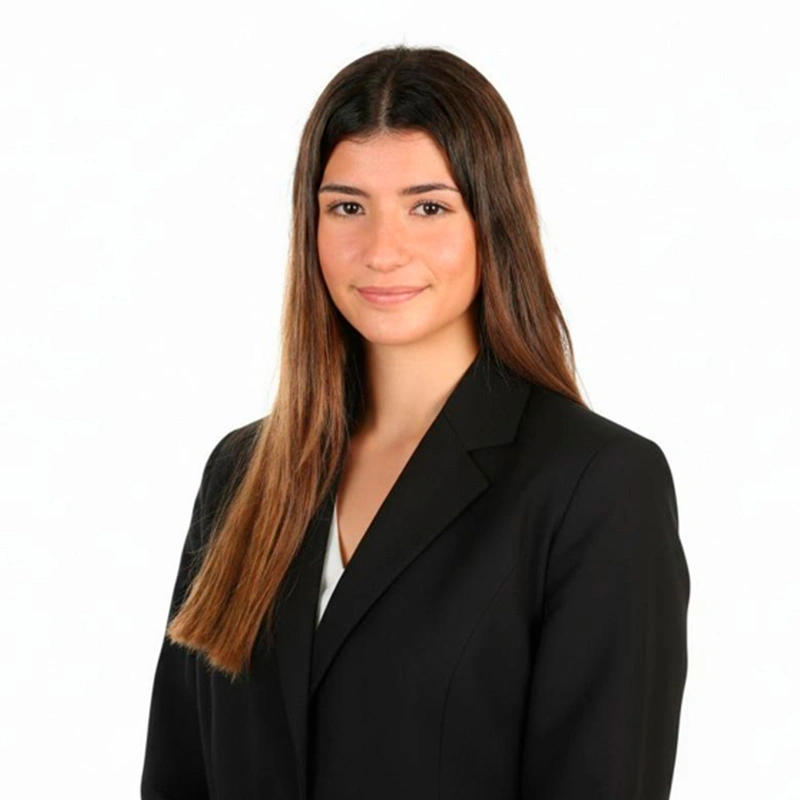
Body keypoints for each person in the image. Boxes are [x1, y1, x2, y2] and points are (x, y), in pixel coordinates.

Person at [140, 44, 690, 800]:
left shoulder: (595, 485)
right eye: (347, 207)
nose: (381, 251)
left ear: (491, 221)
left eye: (427, 207)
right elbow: (179, 774)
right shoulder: (242, 473)